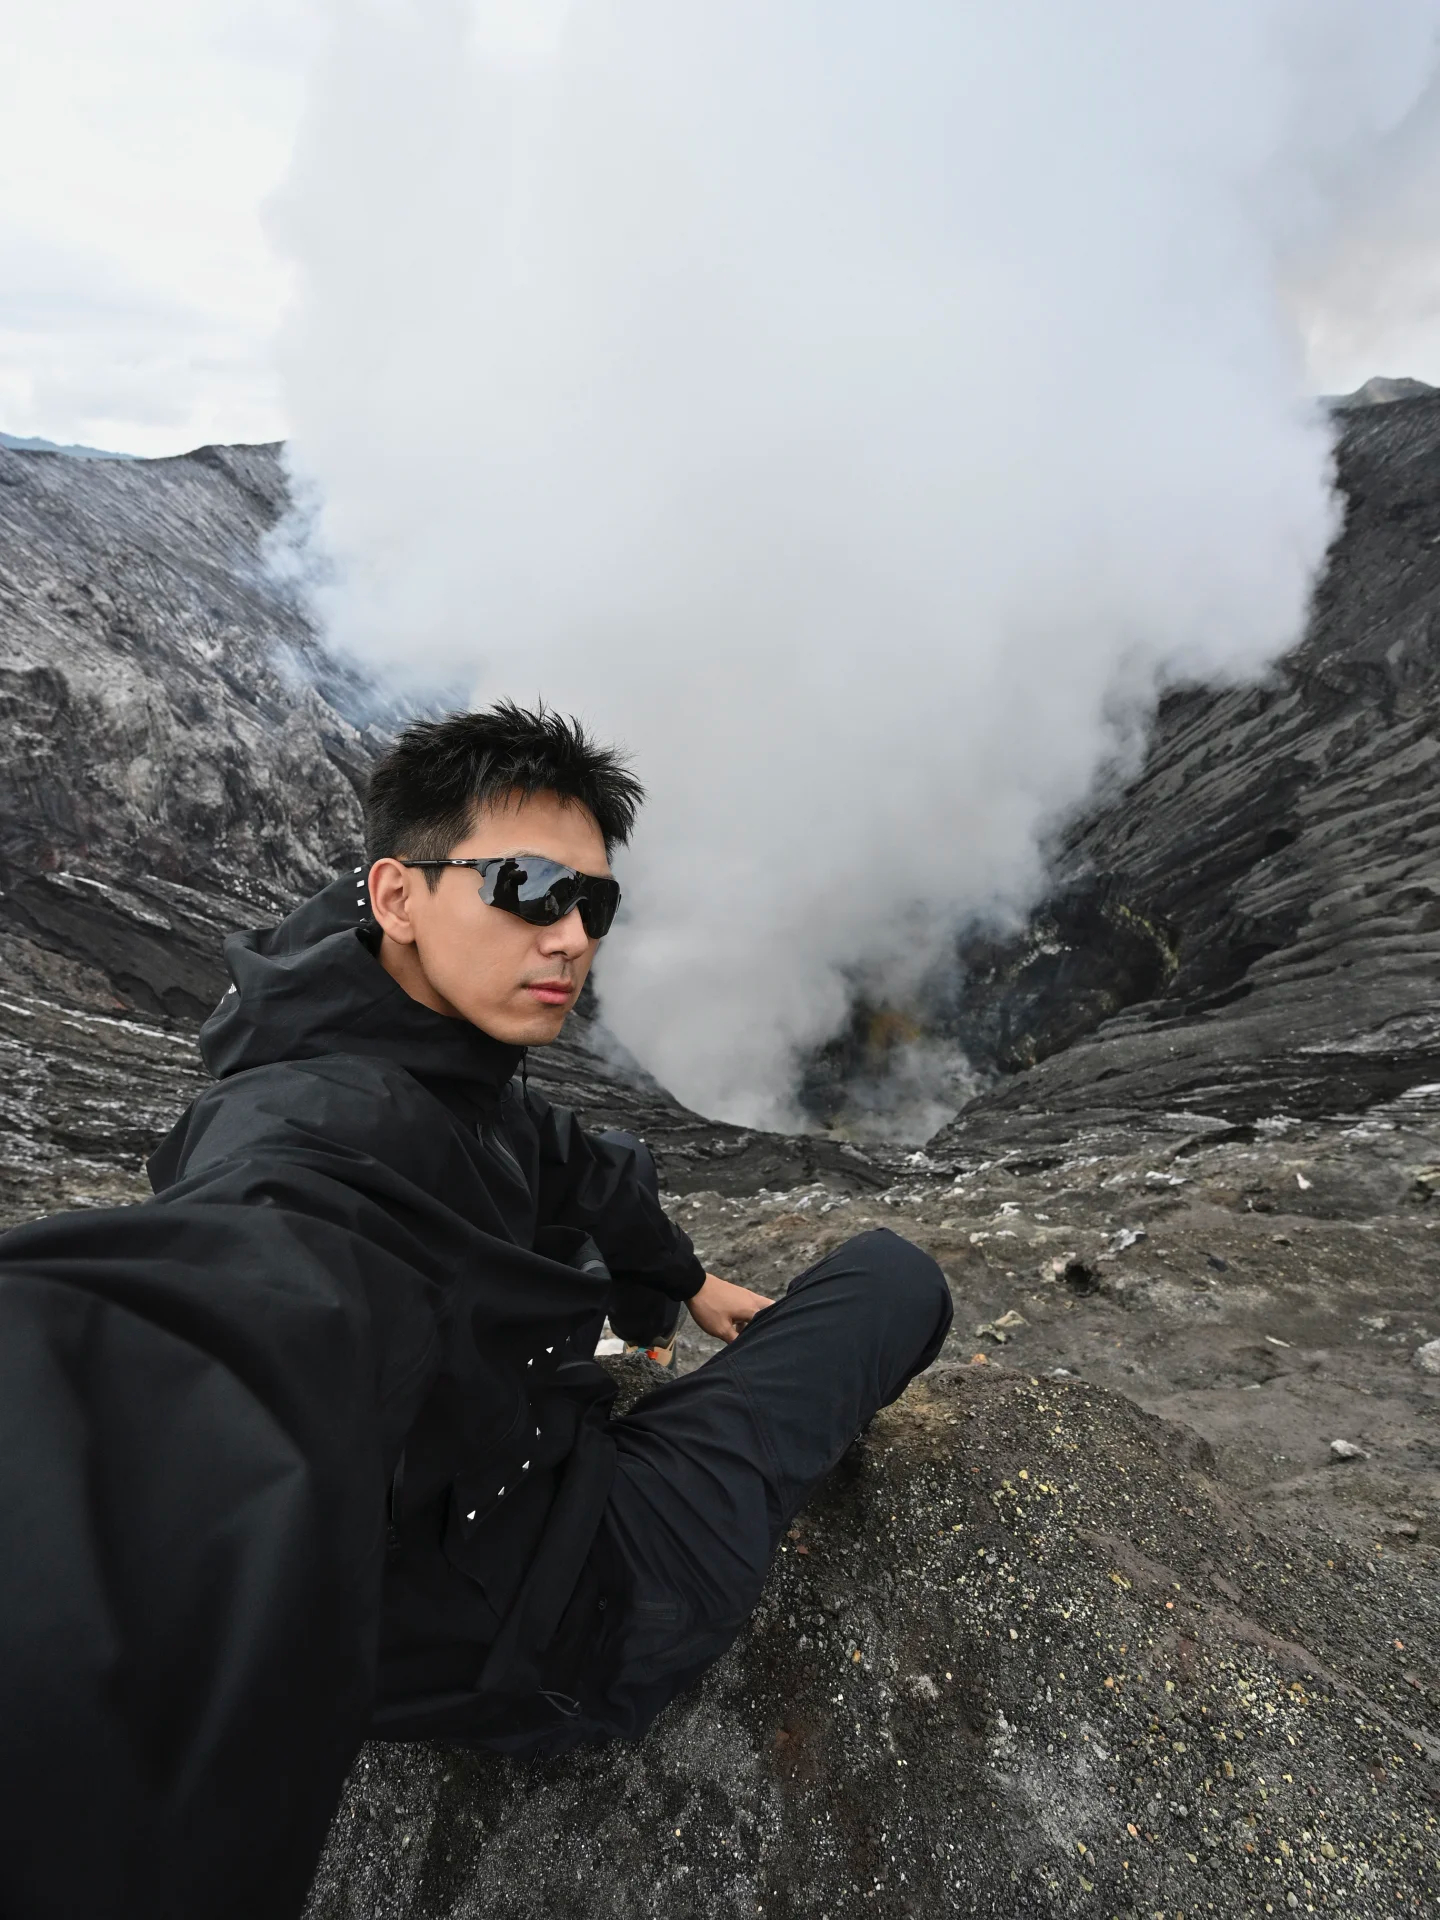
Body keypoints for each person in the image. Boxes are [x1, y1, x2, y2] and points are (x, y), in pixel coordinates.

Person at [0, 702, 952, 1920]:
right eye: (526, 888)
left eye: (593, 905)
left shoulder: (390, 1020)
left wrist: (682, 1281)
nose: (567, 938)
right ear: (398, 895)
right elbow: (236, 1311)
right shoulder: (322, 1136)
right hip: (556, 1611)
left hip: (451, 1539)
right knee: (891, 1276)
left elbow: (567, 1154)